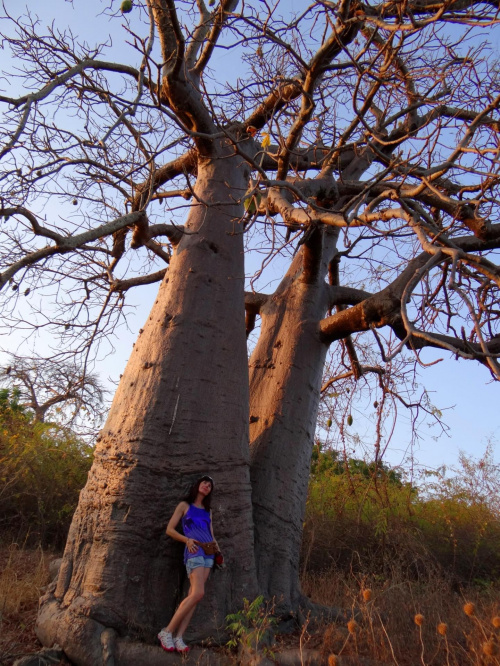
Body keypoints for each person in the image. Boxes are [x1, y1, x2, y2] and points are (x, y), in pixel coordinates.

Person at [157, 475, 218, 653]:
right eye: (204, 482)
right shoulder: (185, 506)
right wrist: (187, 540)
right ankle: (166, 631)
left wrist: (218, 552)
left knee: (195, 595)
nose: (207, 486)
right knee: (198, 592)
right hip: (194, 552)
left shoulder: (208, 511)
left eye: (210, 485)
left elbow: (211, 534)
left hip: (209, 554)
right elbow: (170, 529)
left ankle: (178, 637)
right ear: (198, 485)